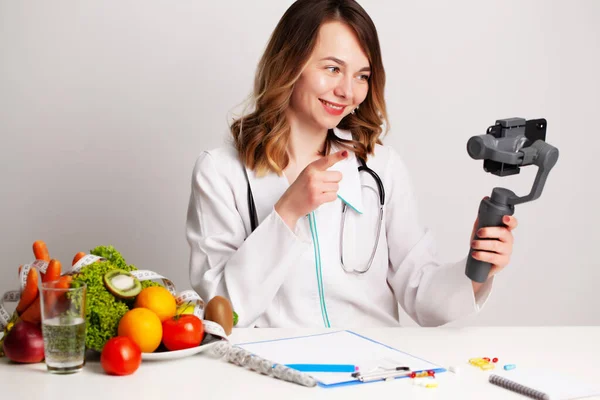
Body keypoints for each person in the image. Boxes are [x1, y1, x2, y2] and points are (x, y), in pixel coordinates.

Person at [186, 0, 518, 328]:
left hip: (374, 371)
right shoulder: (221, 171)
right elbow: (224, 314)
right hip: (276, 373)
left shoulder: (380, 166)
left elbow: (423, 298)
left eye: (362, 75)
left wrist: (478, 266)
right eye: (332, 68)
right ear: (289, 64)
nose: (347, 91)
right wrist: (287, 213)